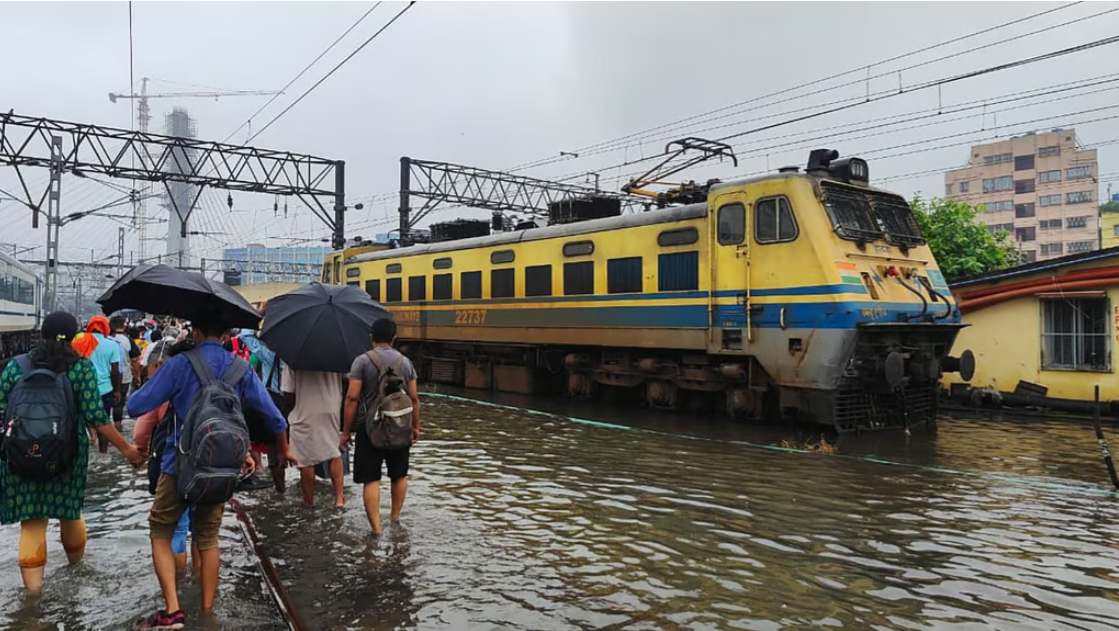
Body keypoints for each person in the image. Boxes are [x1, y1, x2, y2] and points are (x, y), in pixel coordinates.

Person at [128, 313, 294, 629]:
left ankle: (173, 611)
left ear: (196, 329)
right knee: (208, 537)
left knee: (161, 530)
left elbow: (137, 406)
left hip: (177, 466)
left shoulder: (180, 364)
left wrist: (155, 378)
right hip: (220, 468)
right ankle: (207, 613)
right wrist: (283, 450)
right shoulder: (240, 368)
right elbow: (275, 418)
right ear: (226, 333)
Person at [0, 311, 144, 592]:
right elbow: (97, 416)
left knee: (32, 521)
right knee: (70, 511)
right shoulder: (81, 368)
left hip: (20, 453)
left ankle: (32, 599)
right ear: (74, 337)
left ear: (41, 335)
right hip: (67, 453)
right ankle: (76, 572)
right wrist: (127, 450)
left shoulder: (15, 367)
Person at [340, 318, 421, 535]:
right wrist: (415, 428)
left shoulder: (362, 362)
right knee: (399, 475)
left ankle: (376, 529)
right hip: (399, 426)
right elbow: (414, 399)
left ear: (371, 337)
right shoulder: (405, 363)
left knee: (371, 478)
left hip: (371, 429)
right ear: (394, 338)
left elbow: (352, 398)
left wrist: (346, 432)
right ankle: (395, 519)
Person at [281, 364, 347, 508]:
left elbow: (288, 392)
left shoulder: (293, 359)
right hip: (332, 408)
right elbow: (346, 377)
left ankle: (309, 502)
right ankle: (339, 499)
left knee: (306, 459)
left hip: (305, 409)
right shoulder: (335, 354)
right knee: (334, 452)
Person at [71, 315, 122, 454]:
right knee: (104, 422)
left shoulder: (79, 342)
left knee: (79, 423)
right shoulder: (112, 345)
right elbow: (115, 372)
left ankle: (83, 451)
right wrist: (117, 391)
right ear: (106, 328)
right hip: (105, 390)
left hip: (82, 390)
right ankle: (103, 454)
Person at [109, 315, 142, 433]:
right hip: (124, 377)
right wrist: (137, 376)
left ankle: (104, 430)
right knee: (119, 403)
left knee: (105, 404)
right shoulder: (128, 341)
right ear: (124, 326)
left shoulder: (106, 338)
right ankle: (118, 428)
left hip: (106, 378)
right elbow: (135, 360)